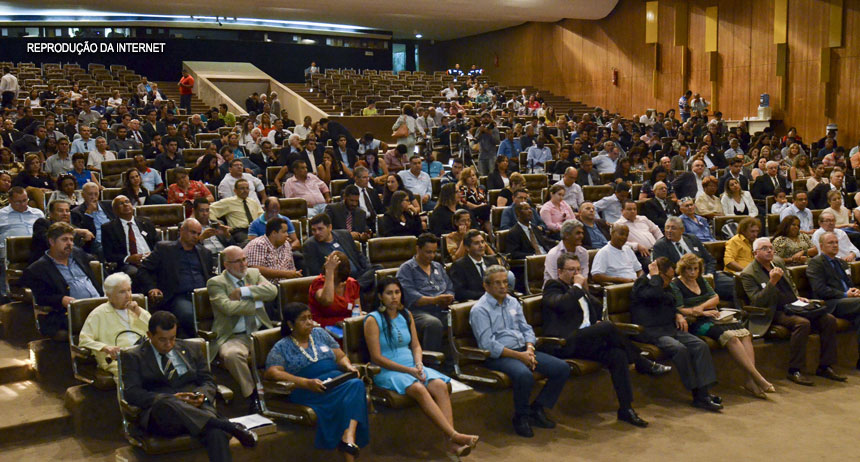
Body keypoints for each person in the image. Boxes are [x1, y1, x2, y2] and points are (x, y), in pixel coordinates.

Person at [543, 253, 671, 427]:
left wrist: (585, 290)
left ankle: (626, 409)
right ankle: (642, 362)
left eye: (578, 269)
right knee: (608, 326)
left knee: (617, 355)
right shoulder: (553, 286)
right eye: (571, 270)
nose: (576, 273)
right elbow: (562, 304)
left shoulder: (580, 289)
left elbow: (595, 308)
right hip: (565, 342)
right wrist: (577, 287)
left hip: (586, 341)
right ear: (559, 272)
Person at [120, 311, 258, 462]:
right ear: (150, 335)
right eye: (162, 340)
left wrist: (201, 396)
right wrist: (173, 399)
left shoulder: (191, 348)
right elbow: (132, 393)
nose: (169, 344)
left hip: (196, 407)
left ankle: (218, 425)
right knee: (167, 402)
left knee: (216, 432)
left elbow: (208, 381)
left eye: (172, 338)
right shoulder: (134, 356)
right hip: (163, 415)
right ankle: (229, 426)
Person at [365, 276, 478, 456]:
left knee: (440, 385)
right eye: (389, 293)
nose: (394, 297)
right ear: (380, 296)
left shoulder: (406, 314)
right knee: (418, 388)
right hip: (387, 371)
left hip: (412, 366)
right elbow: (376, 357)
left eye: (397, 292)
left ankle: (450, 443)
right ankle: (454, 436)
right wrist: (409, 370)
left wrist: (418, 363)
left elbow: (416, 346)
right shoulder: (373, 319)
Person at [470, 265, 570, 437]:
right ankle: (521, 417)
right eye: (497, 283)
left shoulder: (513, 301)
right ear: (486, 286)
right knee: (524, 375)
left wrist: (530, 348)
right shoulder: (480, 310)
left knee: (562, 368)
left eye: (505, 282)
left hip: (524, 350)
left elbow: (526, 329)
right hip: (499, 355)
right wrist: (520, 356)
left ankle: (537, 408)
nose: (503, 286)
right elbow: (487, 345)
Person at [264, 303, 368, 460]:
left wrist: (349, 367)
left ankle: (348, 438)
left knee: (355, 383)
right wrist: (305, 382)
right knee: (355, 387)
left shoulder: (320, 334)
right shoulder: (282, 346)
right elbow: (272, 372)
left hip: (335, 382)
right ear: (291, 324)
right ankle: (347, 440)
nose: (309, 322)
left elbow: (340, 356)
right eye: (303, 319)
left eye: (310, 318)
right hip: (308, 390)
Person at [740, 237, 845, 385]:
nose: (769, 250)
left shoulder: (777, 262)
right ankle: (794, 370)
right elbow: (757, 301)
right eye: (764, 248)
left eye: (770, 247)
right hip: (773, 311)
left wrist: (797, 297)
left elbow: (790, 285)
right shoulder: (748, 273)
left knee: (828, 319)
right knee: (802, 323)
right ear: (755, 252)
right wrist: (772, 282)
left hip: (794, 305)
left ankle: (825, 366)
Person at [671, 253, 773, 398]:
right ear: (682, 269)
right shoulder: (676, 284)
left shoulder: (701, 280)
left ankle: (749, 380)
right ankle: (758, 378)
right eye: (689, 269)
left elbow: (715, 298)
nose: (693, 272)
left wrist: (701, 307)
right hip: (696, 322)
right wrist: (701, 312)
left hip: (713, 316)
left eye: (695, 269)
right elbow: (680, 309)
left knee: (745, 334)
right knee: (731, 338)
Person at [631, 257, 722, 411]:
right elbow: (653, 296)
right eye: (668, 277)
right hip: (652, 332)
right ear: (658, 274)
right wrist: (655, 278)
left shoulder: (663, 285)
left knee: (700, 345)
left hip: (670, 328)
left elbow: (671, 302)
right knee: (680, 349)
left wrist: (678, 315)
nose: (671, 281)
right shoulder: (642, 284)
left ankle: (704, 391)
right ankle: (698, 394)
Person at [207, 245, 277, 413]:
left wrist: (243, 291)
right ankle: (252, 395)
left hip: (260, 331)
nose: (243, 264)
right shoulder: (216, 283)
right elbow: (228, 308)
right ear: (227, 265)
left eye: (244, 259)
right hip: (233, 335)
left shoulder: (253, 274)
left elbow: (272, 291)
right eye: (237, 261)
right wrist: (257, 301)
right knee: (232, 355)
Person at [21, 222, 103, 339]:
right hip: (67, 314)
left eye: (71, 239)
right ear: (52, 242)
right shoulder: (38, 269)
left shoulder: (78, 254)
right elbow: (40, 297)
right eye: (64, 240)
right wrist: (61, 299)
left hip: (98, 306)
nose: (69, 243)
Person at [138, 218, 213, 338]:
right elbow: (143, 269)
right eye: (193, 232)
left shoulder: (205, 252)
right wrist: (152, 288)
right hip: (178, 295)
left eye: (198, 234)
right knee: (188, 314)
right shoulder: (164, 249)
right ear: (182, 231)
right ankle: (196, 344)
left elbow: (209, 276)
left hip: (203, 295)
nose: (196, 237)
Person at [78, 272, 151, 378]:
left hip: (144, 354)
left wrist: (138, 312)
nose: (128, 296)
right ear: (109, 296)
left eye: (129, 290)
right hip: (117, 359)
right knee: (133, 374)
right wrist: (106, 348)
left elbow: (157, 330)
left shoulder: (136, 309)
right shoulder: (98, 314)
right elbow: (84, 341)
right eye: (122, 292)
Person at [807, 232, 860, 368]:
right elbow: (820, 290)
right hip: (830, 304)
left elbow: (849, 284)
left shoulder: (841, 262)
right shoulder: (816, 263)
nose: (835, 245)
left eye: (836, 242)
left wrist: (854, 291)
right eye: (831, 243)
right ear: (821, 246)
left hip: (849, 302)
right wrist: (844, 294)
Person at [396, 233, 455, 353]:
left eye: (434, 252)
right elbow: (410, 297)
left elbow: (449, 287)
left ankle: (455, 361)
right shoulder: (406, 269)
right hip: (417, 312)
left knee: (463, 316)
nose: (432, 255)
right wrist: (435, 300)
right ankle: (431, 363)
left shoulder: (438, 267)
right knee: (433, 323)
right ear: (418, 249)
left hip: (441, 309)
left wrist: (449, 298)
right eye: (428, 252)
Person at [0, 187, 45, 299]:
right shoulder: (1, 215)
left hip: (36, 251)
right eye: (18, 202)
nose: (23, 204)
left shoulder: (37, 213)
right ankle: (6, 296)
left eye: (25, 200)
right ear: (10, 200)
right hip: (8, 253)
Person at [102, 195, 160, 279]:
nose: (125, 205)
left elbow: (158, 244)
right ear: (114, 210)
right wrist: (128, 258)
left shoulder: (146, 222)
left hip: (150, 259)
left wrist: (152, 254)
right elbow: (108, 254)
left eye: (127, 202)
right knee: (136, 273)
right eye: (121, 204)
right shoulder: (108, 228)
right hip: (129, 264)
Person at [448, 230, 511, 301]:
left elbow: (503, 284)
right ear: (467, 247)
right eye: (476, 243)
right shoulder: (459, 266)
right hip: (476, 302)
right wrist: (489, 294)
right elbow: (460, 293)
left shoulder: (492, 260)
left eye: (482, 242)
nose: (481, 246)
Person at [245, 217, 302, 292]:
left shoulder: (286, 244)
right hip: (264, 288)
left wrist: (294, 274)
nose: (287, 235)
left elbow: (291, 268)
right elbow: (255, 269)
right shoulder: (258, 244)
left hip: (284, 286)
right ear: (274, 233)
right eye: (284, 232)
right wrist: (285, 274)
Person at [309, 251, 360, 328]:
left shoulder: (352, 284)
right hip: (324, 329)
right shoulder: (318, 283)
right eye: (329, 266)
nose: (329, 268)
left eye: (334, 268)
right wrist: (329, 271)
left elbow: (358, 311)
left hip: (347, 328)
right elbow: (327, 301)